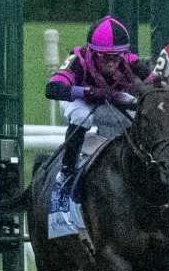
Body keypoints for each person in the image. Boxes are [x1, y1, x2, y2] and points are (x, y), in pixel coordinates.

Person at [45, 17, 145, 212]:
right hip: (78, 98)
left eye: (116, 57)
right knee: (82, 116)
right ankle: (66, 171)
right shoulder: (77, 60)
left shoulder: (130, 61)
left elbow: (153, 84)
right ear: (91, 51)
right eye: (104, 57)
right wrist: (86, 92)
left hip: (110, 95)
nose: (111, 63)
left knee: (138, 113)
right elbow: (52, 88)